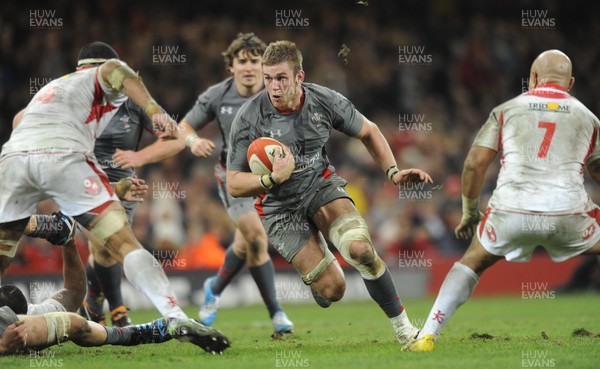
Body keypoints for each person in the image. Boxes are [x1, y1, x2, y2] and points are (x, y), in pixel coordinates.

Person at [226, 40, 432, 345]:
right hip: (279, 208)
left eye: (281, 78)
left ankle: (405, 331)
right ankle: (318, 263)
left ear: (299, 76)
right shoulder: (249, 117)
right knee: (334, 290)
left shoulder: (324, 101)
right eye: (268, 79)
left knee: (361, 251)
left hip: (319, 186)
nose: (273, 87)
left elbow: (369, 131)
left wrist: (393, 172)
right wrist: (271, 178)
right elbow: (233, 183)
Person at [403, 49, 600, 352]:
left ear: (533, 78)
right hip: (568, 213)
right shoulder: (589, 118)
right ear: (570, 82)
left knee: (472, 261)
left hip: (511, 211)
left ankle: (427, 335)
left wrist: (470, 213)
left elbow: (473, 164)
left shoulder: (506, 109)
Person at [113, 33, 294, 333]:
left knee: (245, 241)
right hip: (233, 177)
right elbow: (183, 128)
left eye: (255, 61)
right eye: (242, 61)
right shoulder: (217, 95)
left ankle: (215, 287)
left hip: (272, 179)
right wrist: (194, 141)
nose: (248, 67)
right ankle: (277, 314)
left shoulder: (277, 92)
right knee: (257, 238)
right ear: (231, 67)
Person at [0, 44, 193, 323]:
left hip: (24, 162)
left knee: (97, 250)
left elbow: (20, 119)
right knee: (113, 244)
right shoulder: (102, 80)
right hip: (78, 172)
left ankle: (94, 301)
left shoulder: (56, 88)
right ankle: (143, 314)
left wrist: (139, 156)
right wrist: (153, 108)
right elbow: (115, 70)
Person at [70, 42, 155, 327]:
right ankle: (119, 312)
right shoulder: (70, 101)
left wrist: (142, 155)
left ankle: (93, 300)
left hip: (125, 185)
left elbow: (171, 134)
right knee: (104, 243)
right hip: (87, 183)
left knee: (107, 249)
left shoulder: (133, 101)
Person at [0, 286, 230, 355]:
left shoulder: (19, 309)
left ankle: (162, 326)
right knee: (75, 323)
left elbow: (70, 291)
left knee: (74, 322)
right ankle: (159, 327)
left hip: (11, 318)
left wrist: (67, 242)